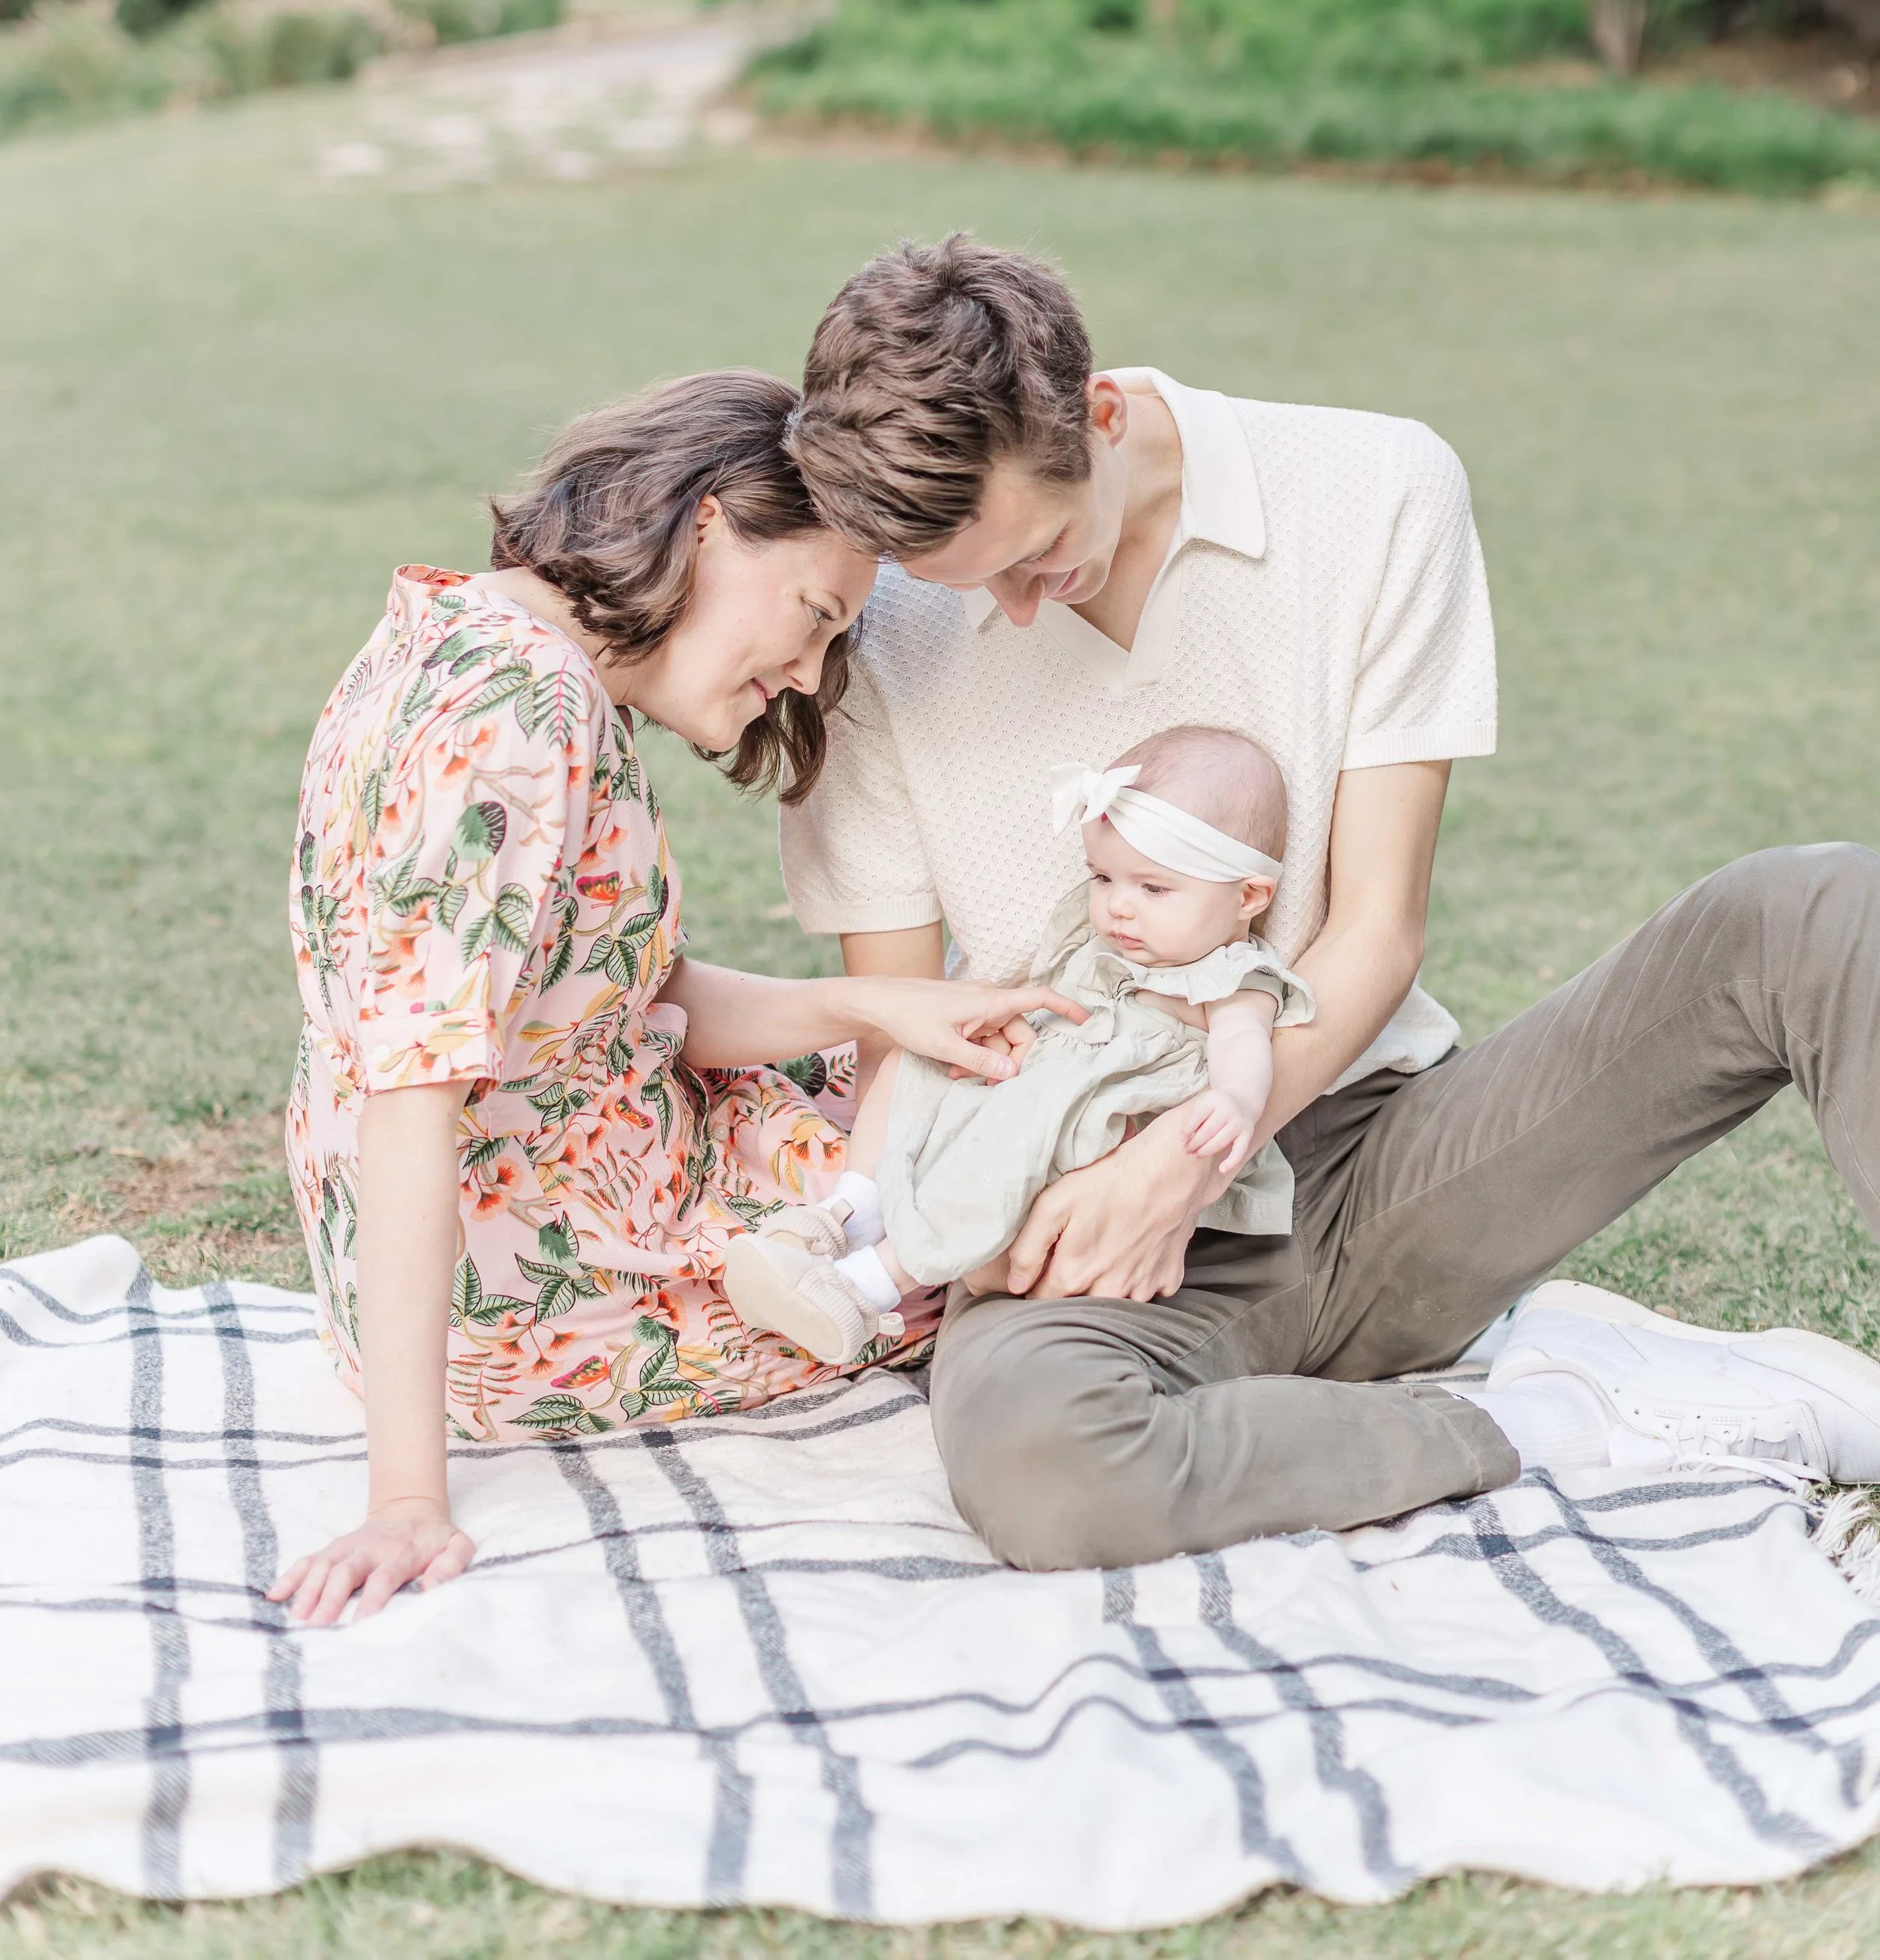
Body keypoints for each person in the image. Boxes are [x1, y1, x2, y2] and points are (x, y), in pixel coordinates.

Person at [780, 235, 1880, 1570]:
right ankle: (1554, 1419)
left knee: (1814, 912)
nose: (1012, 613)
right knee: (1042, 1470)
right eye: (970, 582)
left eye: (1042, 554)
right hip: (1081, 1227)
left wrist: (1184, 1160)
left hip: (1375, 1156)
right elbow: (905, 1023)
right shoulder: (884, 623)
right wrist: (965, 1222)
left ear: (1102, 415)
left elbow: (1374, 930)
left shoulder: (1375, 489)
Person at [271, 372, 1078, 1628]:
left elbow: (608, 1001)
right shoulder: (521, 719)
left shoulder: (469, 632)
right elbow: (410, 1101)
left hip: (565, 1187)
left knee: (950, 1073)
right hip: (555, 1283)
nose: (808, 675)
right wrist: (406, 1497)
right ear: (711, 520)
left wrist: (876, 1008)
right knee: (1005, 1172)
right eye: (815, 616)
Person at [723, 725, 1314, 1364]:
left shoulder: (1232, 977)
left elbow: (1244, 1042)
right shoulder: (1110, 942)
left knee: (1011, 1145)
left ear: (1248, 896)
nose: (1119, 906)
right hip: (1046, 1073)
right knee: (916, 1063)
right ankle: (850, 1212)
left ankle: (866, 1288)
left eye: (1153, 888)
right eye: (1103, 877)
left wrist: (1235, 1099)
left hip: (1104, 1120)